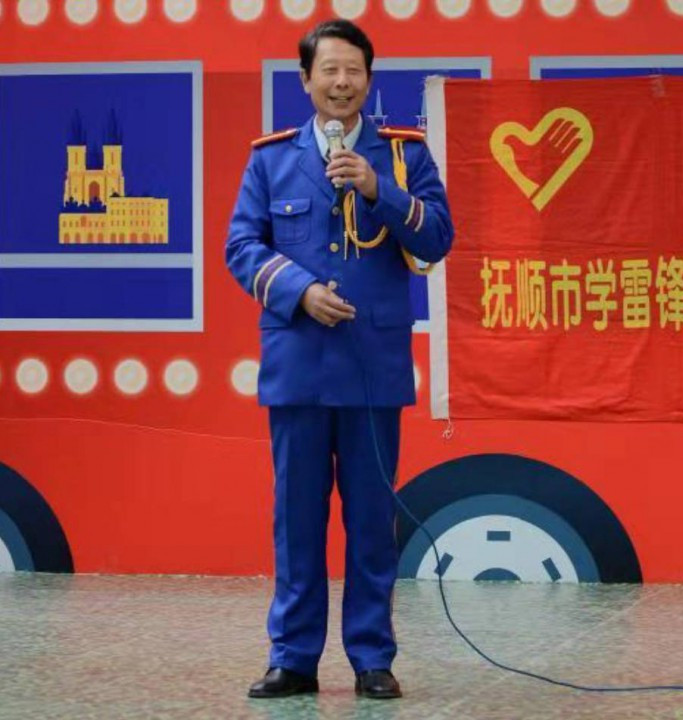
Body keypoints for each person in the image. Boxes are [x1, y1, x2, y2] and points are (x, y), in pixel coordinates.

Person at [225, 19, 453, 700]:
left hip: (372, 369)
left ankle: (372, 658)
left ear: (369, 79)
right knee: (296, 523)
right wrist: (298, 291)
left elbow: (439, 238)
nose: (342, 82)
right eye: (329, 70)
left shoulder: (404, 156)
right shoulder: (270, 160)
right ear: (306, 80)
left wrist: (378, 188)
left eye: (354, 70)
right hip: (297, 367)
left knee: (371, 524)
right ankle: (293, 658)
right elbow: (242, 246)